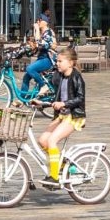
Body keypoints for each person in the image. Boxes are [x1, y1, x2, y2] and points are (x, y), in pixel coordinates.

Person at [38, 46, 88, 182]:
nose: (57, 64)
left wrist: (64, 103)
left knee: (52, 141)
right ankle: (62, 165)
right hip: (62, 115)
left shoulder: (77, 77)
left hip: (74, 116)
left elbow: (80, 98)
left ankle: (54, 176)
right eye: (57, 61)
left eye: (60, 61)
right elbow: (51, 90)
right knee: (42, 140)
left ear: (70, 63)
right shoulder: (58, 76)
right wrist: (37, 98)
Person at [20, 17, 56, 98]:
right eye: (37, 20)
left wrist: (36, 30)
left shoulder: (49, 32)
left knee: (29, 68)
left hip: (47, 59)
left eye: (40, 20)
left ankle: (43, 86)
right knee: (26, 77)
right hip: (41, 58)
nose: (38, 22)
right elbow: (37, 45)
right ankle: (22, 99)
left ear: (45, 22)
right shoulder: (43, 33)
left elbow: (39, 43)